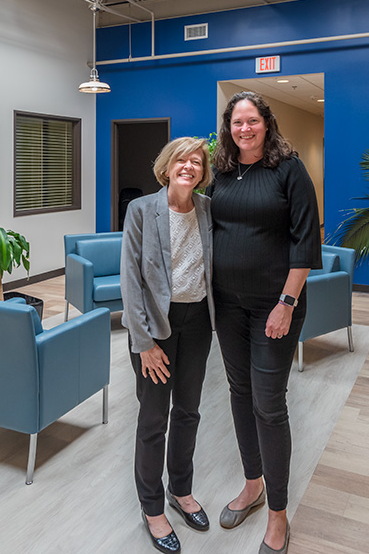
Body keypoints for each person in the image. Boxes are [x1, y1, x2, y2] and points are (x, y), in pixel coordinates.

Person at [208, 91, 321, 554]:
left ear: (266, 124)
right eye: (237, 122)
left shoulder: (289, 169)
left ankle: (279, 514)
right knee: (239, 393)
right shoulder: (221, 172)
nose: (245, 129)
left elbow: (305, 240)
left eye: (252, 121)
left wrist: (286, 302)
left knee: (268, 404)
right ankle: (252, 485)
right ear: (228, 127)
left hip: (276, 306)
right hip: (228, 306)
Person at [121, 137, 215, 554]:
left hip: (197, 322)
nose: (189, 167)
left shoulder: (208, 209)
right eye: (183, 160)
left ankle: (181, 490)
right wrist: (144, 343)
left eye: (197, 162)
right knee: (154, 417)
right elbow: (131, 280)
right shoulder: (141, 210)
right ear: (167, 166)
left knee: (189, 411)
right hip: (154, 328)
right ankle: (152, 508)